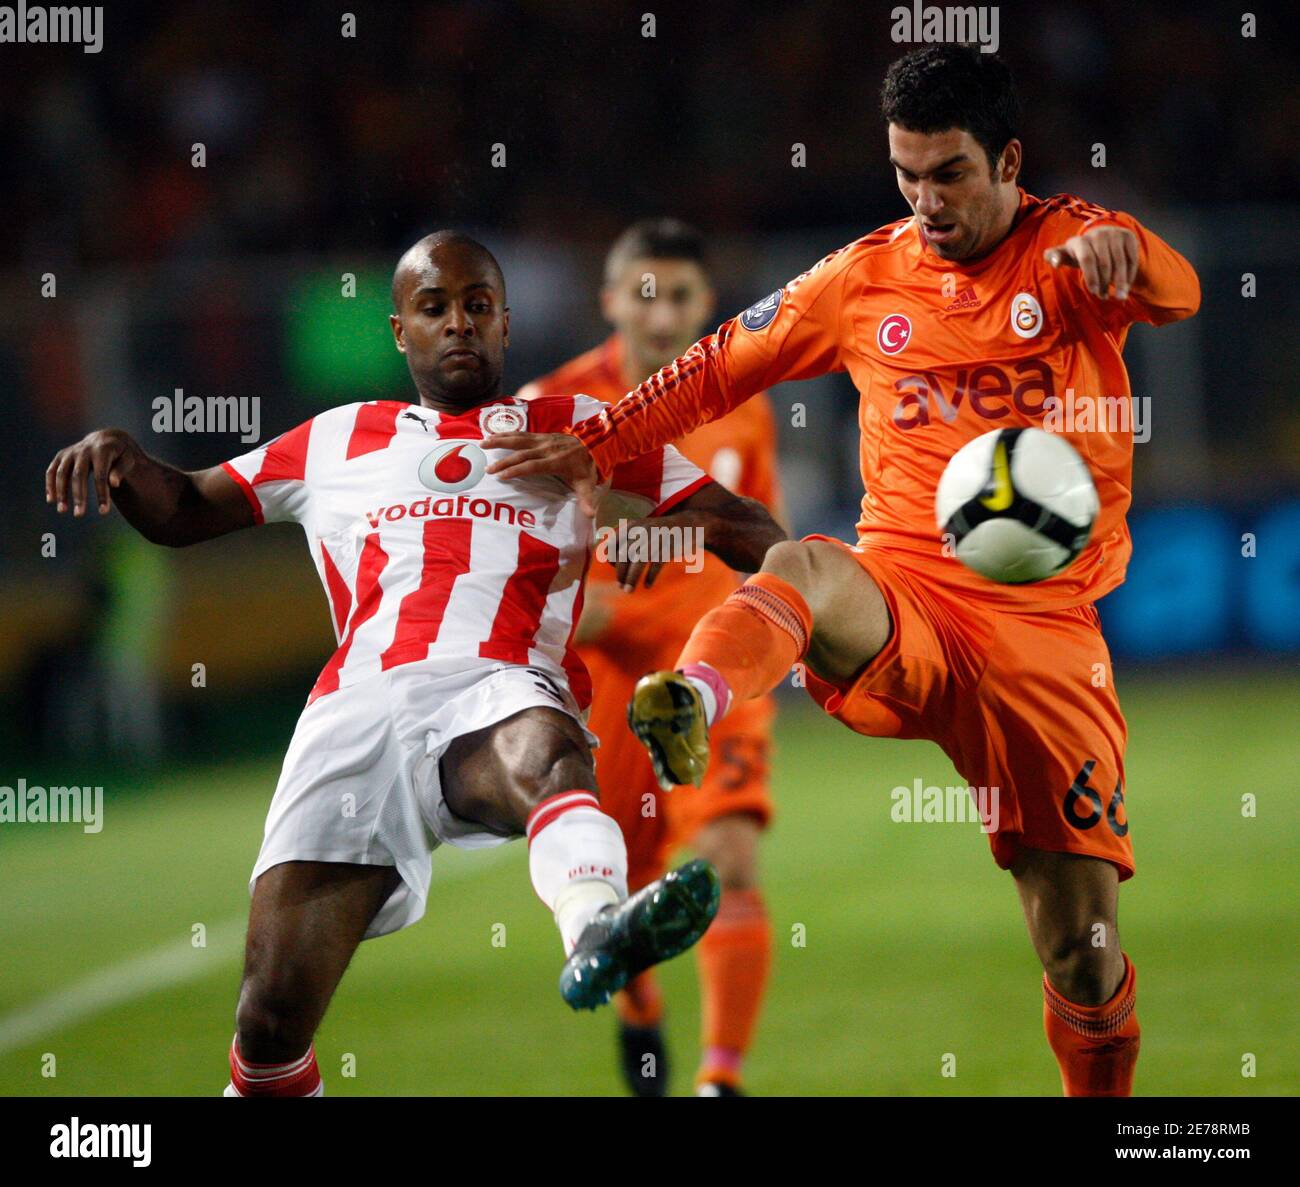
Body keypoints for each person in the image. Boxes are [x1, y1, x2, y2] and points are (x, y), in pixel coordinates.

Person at [483, 48, 1202, 1097]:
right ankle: (695, 694)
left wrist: (1121, 255)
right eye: (905, 175)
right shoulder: (864, 276)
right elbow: (717, 360)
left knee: (1080, 949)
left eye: (947, 173)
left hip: (1046, 632)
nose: (925, 201)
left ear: (1007, 160)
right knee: (808, 563)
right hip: (904, 594)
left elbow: (1176, 290)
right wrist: (602, 445)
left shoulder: (1070, 248)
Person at [44, 230, 785, 1097]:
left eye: (478, 307)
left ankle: (595, 927)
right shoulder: (336, 438)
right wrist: (125, 462)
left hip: (501, 684)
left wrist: (652, 521)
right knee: (269, 1025)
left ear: (506, 325)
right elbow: (186, 508)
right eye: (435, 308)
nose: (458, 324)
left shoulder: (580, 428)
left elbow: (750, 529)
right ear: (401, 330)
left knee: (546, 751)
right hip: (352, 716)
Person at [518, 219, 784, 1096]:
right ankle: (639, 1015)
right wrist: (569, 610)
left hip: (710, 669)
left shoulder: (742, 405)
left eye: (680, 296)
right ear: (609, 300)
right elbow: (511, 563)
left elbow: (763, 541)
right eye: (644, 293)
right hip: (607, 685)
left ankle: (721, 1080)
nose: (661, 313)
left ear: (706, 305)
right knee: (624, 888)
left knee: (730, 855)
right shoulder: (551, 412)